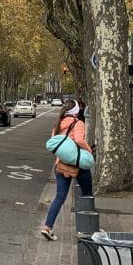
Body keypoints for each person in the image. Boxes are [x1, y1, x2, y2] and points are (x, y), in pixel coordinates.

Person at [40, 97, 93, 241]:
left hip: (61, 164)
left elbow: (53, 142)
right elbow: (80, 140)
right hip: (78, 163)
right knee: (87, 193)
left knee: (60, 196)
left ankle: (47, 226)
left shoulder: (59, 123)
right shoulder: (78, 122)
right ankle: (88, 228)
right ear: (76, 110)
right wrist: (89, 151)